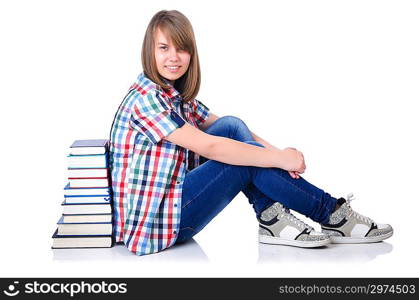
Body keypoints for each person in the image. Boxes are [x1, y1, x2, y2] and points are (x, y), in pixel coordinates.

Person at [109, 10, 393, 256]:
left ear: (191, 53)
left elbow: (225, 127)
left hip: (172, 202)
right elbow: (211, 148)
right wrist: (279, 160)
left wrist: (278, 155)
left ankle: (271, 217)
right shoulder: (145, 100)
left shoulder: (172, 95)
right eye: (163, 48)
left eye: (181, 49)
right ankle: (330, 214)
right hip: (158, 223)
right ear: (150, 50)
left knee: (231, 126)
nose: (174, 57)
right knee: (240, 163)